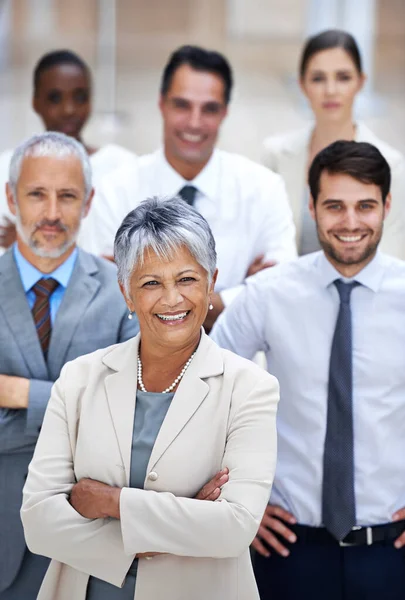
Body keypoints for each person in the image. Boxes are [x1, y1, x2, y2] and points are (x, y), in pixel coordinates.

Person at [21, 196, 279, 600]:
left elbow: (235, 527)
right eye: (151, 283)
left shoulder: (250, 387)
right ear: (126, 293)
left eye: (187, 279)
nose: (172, 299)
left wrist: (110, 501)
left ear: (212, 281)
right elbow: (38, 520)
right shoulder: (79, 379)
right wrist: (165, 531)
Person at [212, 140, 405, 599]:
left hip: (392, 552)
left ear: (387, 207)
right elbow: (202, 392)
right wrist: (234, 499)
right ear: (312, 206)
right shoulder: (267, 295)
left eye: (365, 206)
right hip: (287, 549)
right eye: (335, 206)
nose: (351, 222)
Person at [0, 131, 139, 600]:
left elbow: (138, 416)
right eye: (37, 194)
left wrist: (21, 395)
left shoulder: (127, 291)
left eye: (68, 196)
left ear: (89, 201)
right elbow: (104, 413)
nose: (53, 214)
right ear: (10, 198)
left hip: (97, 548)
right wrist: (84, 409)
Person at [86, 44, 297, 329]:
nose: (194, 123)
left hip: (233, 363)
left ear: (225, 113)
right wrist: (239, 296)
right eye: (182, 105)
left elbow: (280, 288)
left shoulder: (263, 189)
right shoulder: (116, 190)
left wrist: (148, 293)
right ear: (161, 104)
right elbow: (106, 297)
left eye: (209, 109)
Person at [262, 29, 405, 258]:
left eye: (343, 77)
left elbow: (393, 259)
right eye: (318, 78)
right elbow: (264, 246)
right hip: (288, 290)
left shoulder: (392, 164)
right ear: (302, 85)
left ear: (361, 82)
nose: (330, 90)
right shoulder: (276, 155)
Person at [0, 49, 136, 252]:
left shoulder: (123, 166)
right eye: (55, 98)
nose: (68, 109)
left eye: (80, 97)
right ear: (36, 102)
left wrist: (27, 245)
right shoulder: (7, 167)